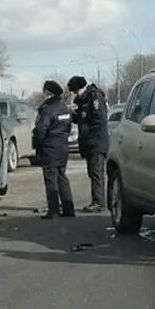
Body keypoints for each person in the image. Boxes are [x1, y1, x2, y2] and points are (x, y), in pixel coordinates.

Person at [33, 80, 75, 219]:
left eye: (44, 93)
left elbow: (40, 130)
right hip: (63, 146)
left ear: (48, 94)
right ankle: (69, 209)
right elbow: (68, 127)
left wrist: (38, 146)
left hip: (50, 147)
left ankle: (54, 210)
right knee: (62, 177)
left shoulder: (47, 109)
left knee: (51, 179)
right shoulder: (64, 108)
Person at [67, 75, 108, 213]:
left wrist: (89, 135)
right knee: (92, 173)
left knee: (97, 173)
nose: (75, 95)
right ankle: (96, 200)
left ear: (82, 88)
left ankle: (99, 202)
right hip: (89, 143)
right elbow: (81, 119)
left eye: (76, 92)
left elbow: (98, 119)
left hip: (96, 142)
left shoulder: (94, 97)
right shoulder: (83, 100)